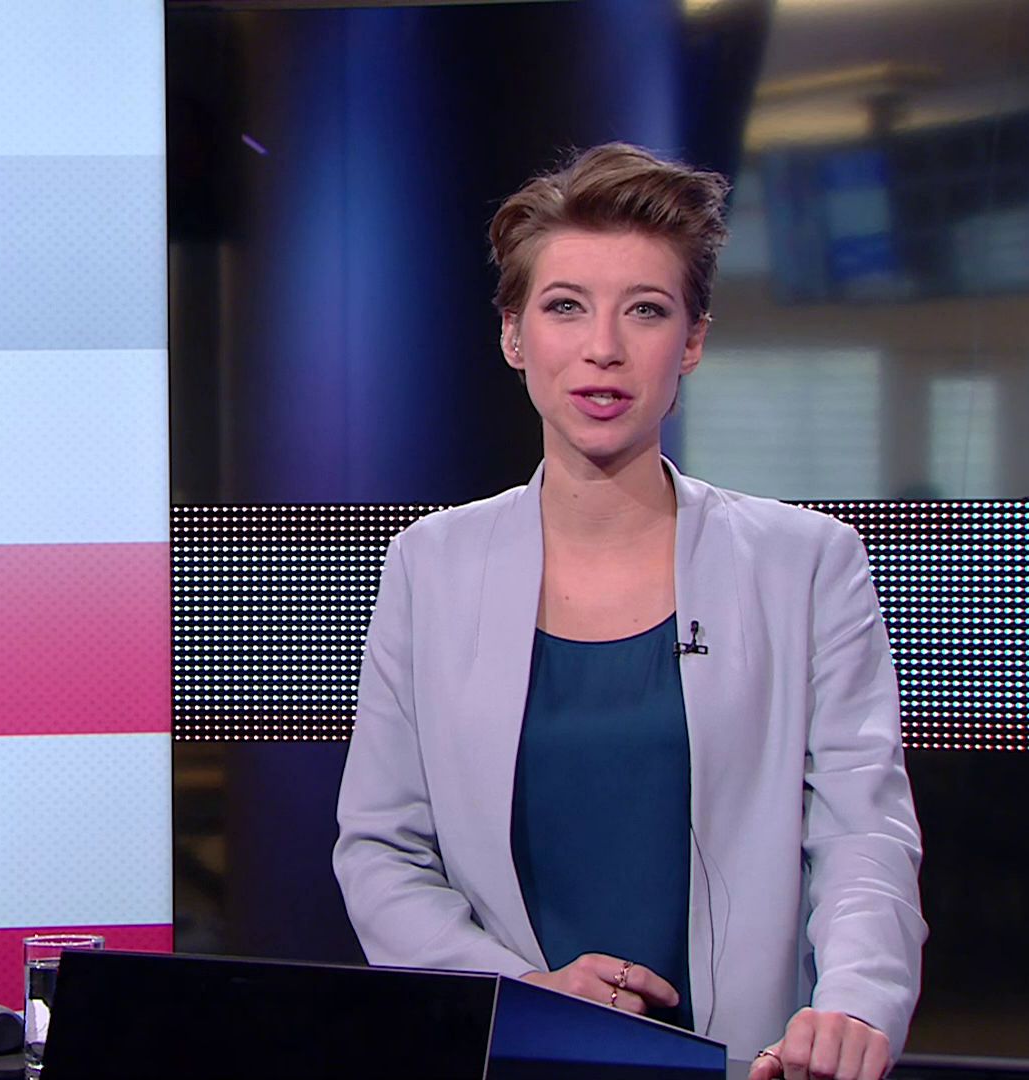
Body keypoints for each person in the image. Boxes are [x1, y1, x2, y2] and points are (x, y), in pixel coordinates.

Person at [331, 143, 924, 1080]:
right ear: (514, 335)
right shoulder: (430, 566)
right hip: (512, 1056)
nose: (603, 347)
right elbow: (383, 851)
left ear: (691, 341)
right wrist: (520, 993)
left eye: (645, 310)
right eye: (565, 306)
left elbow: (862, 832)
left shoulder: (806, 563)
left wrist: (854, 999)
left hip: (750, 1062)